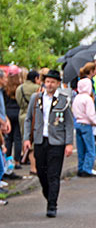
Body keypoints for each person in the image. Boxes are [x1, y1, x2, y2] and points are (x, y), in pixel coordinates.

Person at [23, 69, 74, 217]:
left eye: (52, 82)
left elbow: (69, 124)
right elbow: (28, 119)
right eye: (47, 82)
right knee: (41, 172)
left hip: (56, 141)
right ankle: (49, 194)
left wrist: (69, 143)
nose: (49, 85)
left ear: (58, 83)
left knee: (53, 174)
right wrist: (27, 138)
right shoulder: (36, 97)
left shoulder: (64, 100)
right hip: (40, 139)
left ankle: (52, 205)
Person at [71, 76, 96, 178]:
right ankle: (87, 169)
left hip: (78, 123)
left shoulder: (77, 97)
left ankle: (80, 168)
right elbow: (90, 114)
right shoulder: (88, 99)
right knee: (90, 149)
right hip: (86, 124)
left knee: (81, 149)